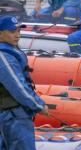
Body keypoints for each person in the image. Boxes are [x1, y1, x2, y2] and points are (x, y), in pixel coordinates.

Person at [0, 16, 48, 150]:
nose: (17, 35)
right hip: (13, 116)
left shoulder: (9, 51)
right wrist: (39, 105)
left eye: (18, 31)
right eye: (12, 31)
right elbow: (18, 86)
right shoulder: (4, 56)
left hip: (11, 113)